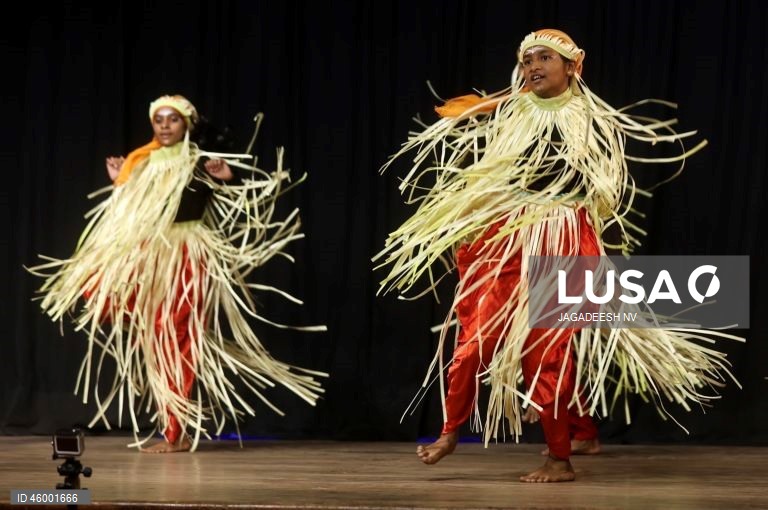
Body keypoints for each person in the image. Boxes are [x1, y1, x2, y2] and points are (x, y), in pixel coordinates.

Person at [375, 29, 737, 482]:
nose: (533, 66)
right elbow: (492, 170)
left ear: (573, 65)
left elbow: (601, 189)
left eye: (544, 58)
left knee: (544, 351)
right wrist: (467, 220)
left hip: (562, 236)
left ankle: (559, 458)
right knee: (475, 339)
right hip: (509, 233)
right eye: (527, 60)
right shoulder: (514, 111)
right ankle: (451, 431)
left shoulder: (589, 119)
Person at [31, 94, 325, 453]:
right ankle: (173, 424)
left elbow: (230, 188)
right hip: (148, 255)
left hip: (186, 255)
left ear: (187, 124)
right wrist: (120, 182)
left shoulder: (198, 159)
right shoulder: (143, 162)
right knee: (137, 324)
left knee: (175, 339)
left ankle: (176, 432)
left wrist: (227, 177)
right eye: (159, 120)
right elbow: (131, 211)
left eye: (173, 119)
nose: (165, 126)